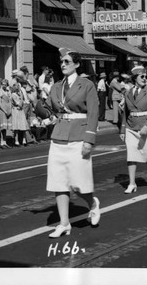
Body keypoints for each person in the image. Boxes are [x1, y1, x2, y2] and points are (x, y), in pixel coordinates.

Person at [37, 47, 100, 238]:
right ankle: (64, 224)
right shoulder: (56, 86)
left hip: (79, 136)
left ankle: (93, 204)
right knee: (59, 182)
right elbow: (51, 111)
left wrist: (89, 139)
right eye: (61, 62)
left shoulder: (86, 85)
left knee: (78, 183)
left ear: (77, 64)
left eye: (67, 62)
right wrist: (42, 115)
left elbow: (94, 113)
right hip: (59, 137)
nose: (63, 65)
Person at [120, 66, 147, 193]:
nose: (144, 79)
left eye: (145, 76)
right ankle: (132, 183)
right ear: (135, 78)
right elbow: (125, 112)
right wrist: (122, 129)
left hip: (146, 127)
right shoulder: (128, 92)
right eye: (142, 76)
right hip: (131, 126)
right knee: (131, 155)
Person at [10, 82, 29, 147]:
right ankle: (16, 140)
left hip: (21, 111)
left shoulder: (20, 93)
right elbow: (19, 104)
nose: (18, 87)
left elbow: (23, 103)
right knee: (16, 126)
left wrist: (21, 97)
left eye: (18, 86)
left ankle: (24, 140)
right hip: (16, 110)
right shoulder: (13, 94)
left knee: (23, 125)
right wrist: (21, 97)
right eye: (16, 86)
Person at [0, 79, 13, 149]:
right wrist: (5, 111)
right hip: (2, 111)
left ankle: (5, 141)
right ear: (1, 84)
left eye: (5, 84)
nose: (4, 85)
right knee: (2, 127)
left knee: (5, 127)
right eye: (3, 84)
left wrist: (10, 110)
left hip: (8, 110)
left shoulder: (8, 92)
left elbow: (10, 101)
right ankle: (1, 142)